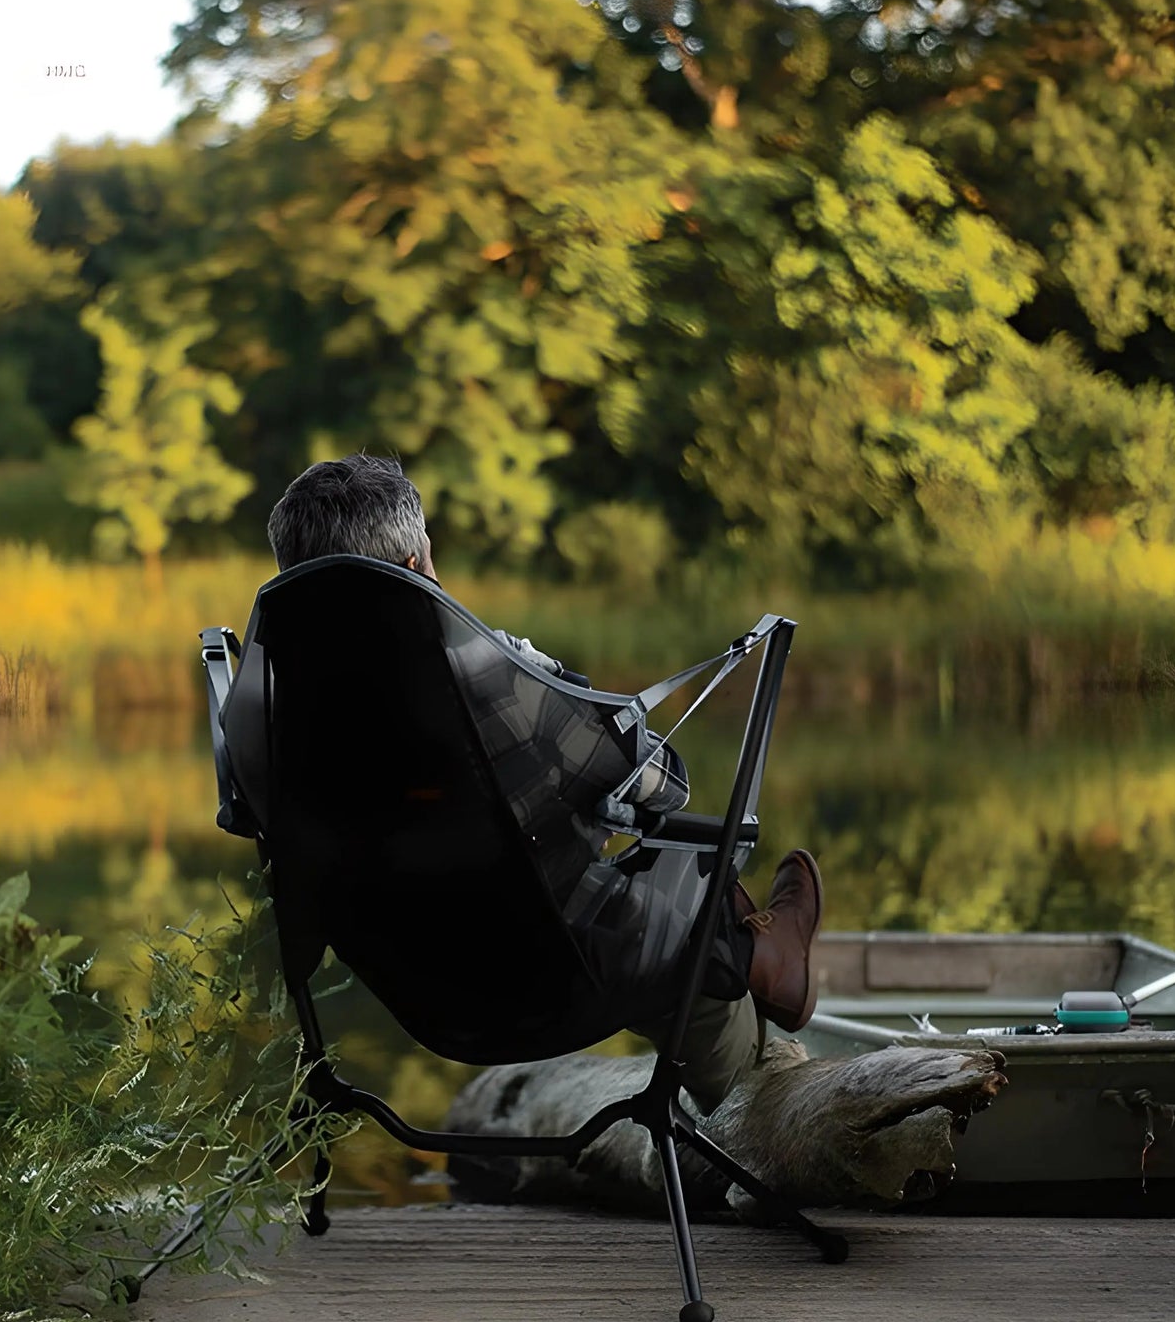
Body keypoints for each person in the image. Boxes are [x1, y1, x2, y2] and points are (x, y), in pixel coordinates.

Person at [266, 452, 824, 1112]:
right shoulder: (498, 677)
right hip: (558, 981)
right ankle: (759, 1048)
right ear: (418, 566)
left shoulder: (268, 716)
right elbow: (664, 786)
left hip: (419, 998)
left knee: (660, 924)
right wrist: (541, 681)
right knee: (687, 912)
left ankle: (760, 955)